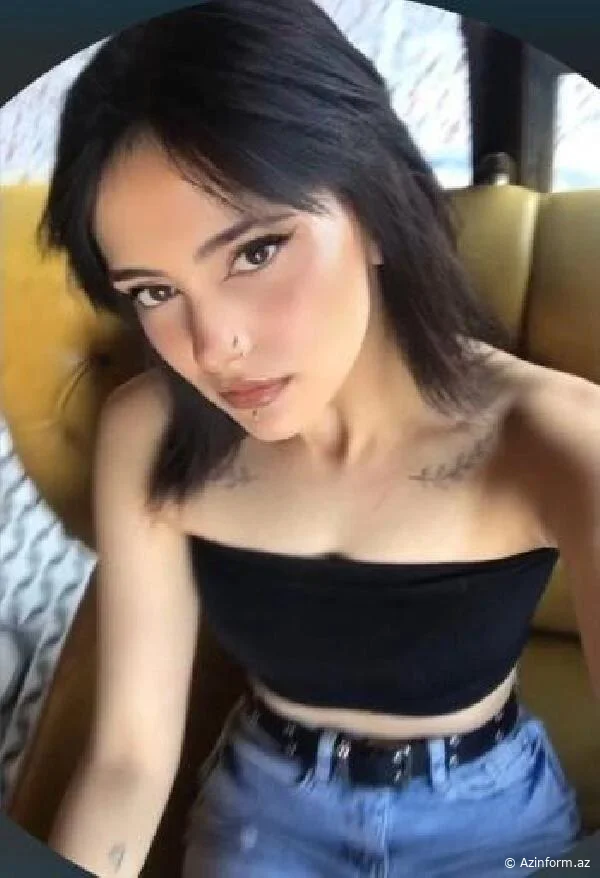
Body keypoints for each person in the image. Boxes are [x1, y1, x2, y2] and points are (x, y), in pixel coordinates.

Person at [38, 1, 599, 876]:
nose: (215, 346)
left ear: (374, 208)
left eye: (256, 252)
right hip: (264, 811)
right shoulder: (148, 433)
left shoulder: (556, 439)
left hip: (497, 823)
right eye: (155, 291)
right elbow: (129, 761)